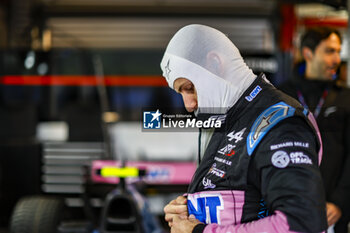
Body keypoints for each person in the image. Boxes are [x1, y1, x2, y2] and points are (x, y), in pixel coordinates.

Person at [160, 24, 327, 233]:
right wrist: (190, 206)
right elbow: (240, 196)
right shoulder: (230, 114)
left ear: (214, 63)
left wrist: (199, 231)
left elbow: (301, 224)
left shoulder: (279, 122)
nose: (188, 105)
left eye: (189, 88)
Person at [279, 27, 350, 233]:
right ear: (308, 53)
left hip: (333, 214)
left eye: (338, 51)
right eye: (329, 51)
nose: (337, 59)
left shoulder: (345, 98)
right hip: (286, 211)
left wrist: (339, 202)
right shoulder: (281, 95)